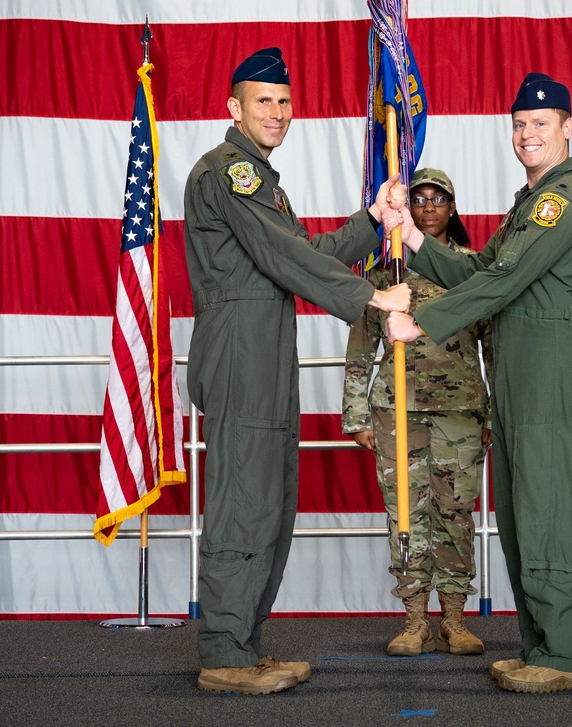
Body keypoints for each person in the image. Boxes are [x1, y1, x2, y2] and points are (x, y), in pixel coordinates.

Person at [183, 47, 411, 695]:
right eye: (264, 100)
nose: (278, 112)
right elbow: (289, 258)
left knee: (271, 501)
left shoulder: (261, 179)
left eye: (284, 101)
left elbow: (304, 250)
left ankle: (244, 643)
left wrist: (373, 220)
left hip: (266, 350)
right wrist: (369, 297)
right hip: (238, 354)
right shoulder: (229, 173)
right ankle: (225, 651)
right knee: (243, 503)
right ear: (234, 108)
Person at [385, 73, 572, 694]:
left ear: (568, 127)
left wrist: (419, 319)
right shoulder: (529, 203)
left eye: (541, 123)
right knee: (519, 511)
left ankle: (566, 654)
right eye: (519, 124)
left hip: (550, 363)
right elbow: (481, 267)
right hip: (518, 364)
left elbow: (501, 284)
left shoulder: (566, 201)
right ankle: (541, 644)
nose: (527, 133)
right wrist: (415, 239)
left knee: (547, 511)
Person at [342, 168, 493, 657]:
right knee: (405, 514)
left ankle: (453, 619)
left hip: (460, 413)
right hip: (397, 411)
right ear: (406, 212)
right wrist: (357, 416)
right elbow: (361, 351)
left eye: (438, 200)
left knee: (454, 512)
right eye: (419, 200)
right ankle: (414, 621)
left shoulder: (474, 271)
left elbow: (496, 345)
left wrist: (495, 415)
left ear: (452, 208)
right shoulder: (388, 277)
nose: (428, 207)